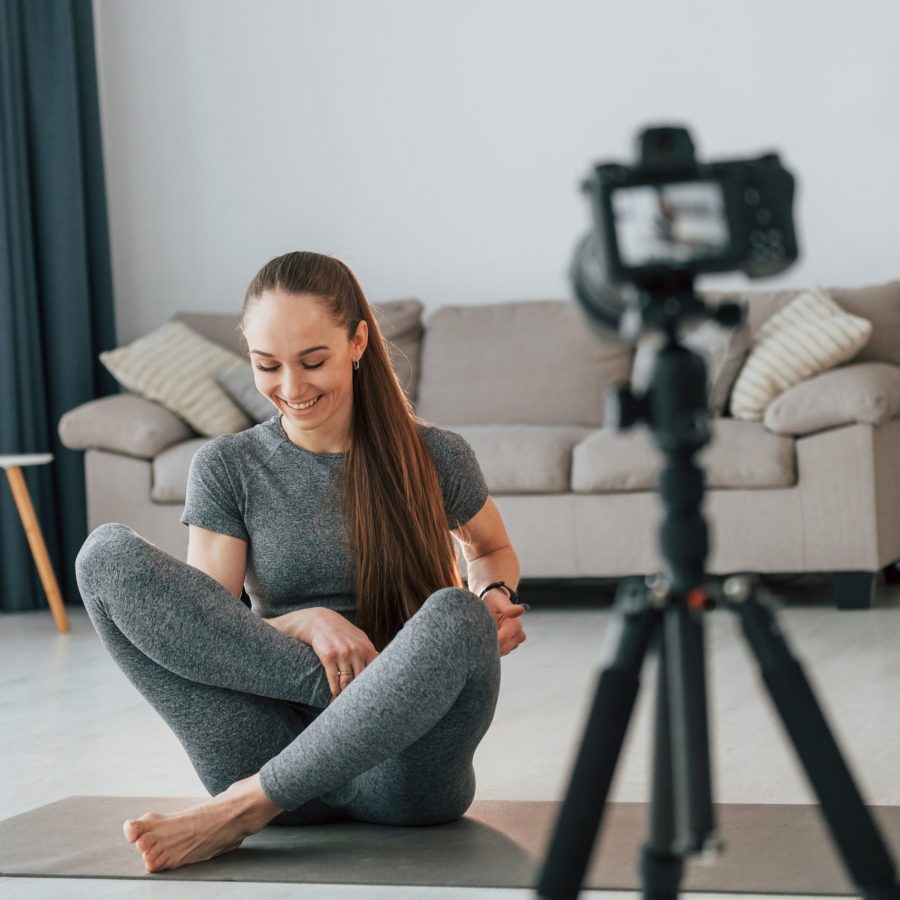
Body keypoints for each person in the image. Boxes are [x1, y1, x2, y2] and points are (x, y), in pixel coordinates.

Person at [74, 250, 528, 874]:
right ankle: (279, 776)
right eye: (268, 366)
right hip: (265, 741)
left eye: (313, 361)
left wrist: (492, 593)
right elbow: (209, 630)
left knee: (456, 614)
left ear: (358, 341)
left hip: (402, 766)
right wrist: (303, 621)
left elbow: (490, 550)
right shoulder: (228, 467)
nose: (291, 388)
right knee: (104, 556)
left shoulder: (436, 455)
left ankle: (241, 811)